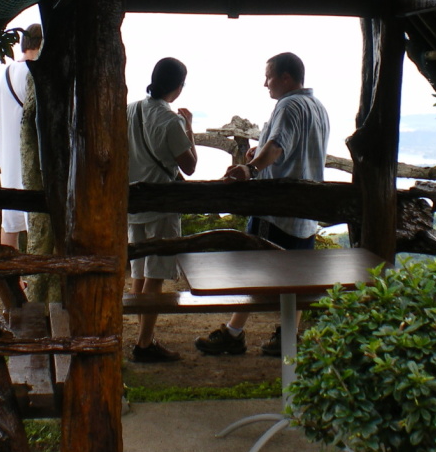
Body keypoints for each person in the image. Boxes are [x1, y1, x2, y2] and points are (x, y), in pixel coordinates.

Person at [194, 52, 330, 357]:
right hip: (306, 211)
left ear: (285, 77)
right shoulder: (317, 107)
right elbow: (290, 147)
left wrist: (251, 169)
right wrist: (259, 153)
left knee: (252, 269)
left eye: (268, 76)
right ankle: (287, 337)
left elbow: (278, 145)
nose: (264, 83)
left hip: (277, 209)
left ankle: (233, 333)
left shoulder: (288, 104)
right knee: (298, 278)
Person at [127, 57, 198, 363]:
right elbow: (190, 166)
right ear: (178, 87)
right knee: (154, 274)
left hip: (134, 200)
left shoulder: (131, 109)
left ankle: (142, 337)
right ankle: (144, 343)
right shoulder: (171, 121)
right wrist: (190, 129)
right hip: (162, 203)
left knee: (140, 272)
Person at [0, 23, 43, 248]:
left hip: (8, 155)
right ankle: (36, 277)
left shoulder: (7, 73)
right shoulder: (33, 73)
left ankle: (10, 280)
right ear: (41, 44)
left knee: (10, 221)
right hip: (31, 158)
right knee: (38, 217)